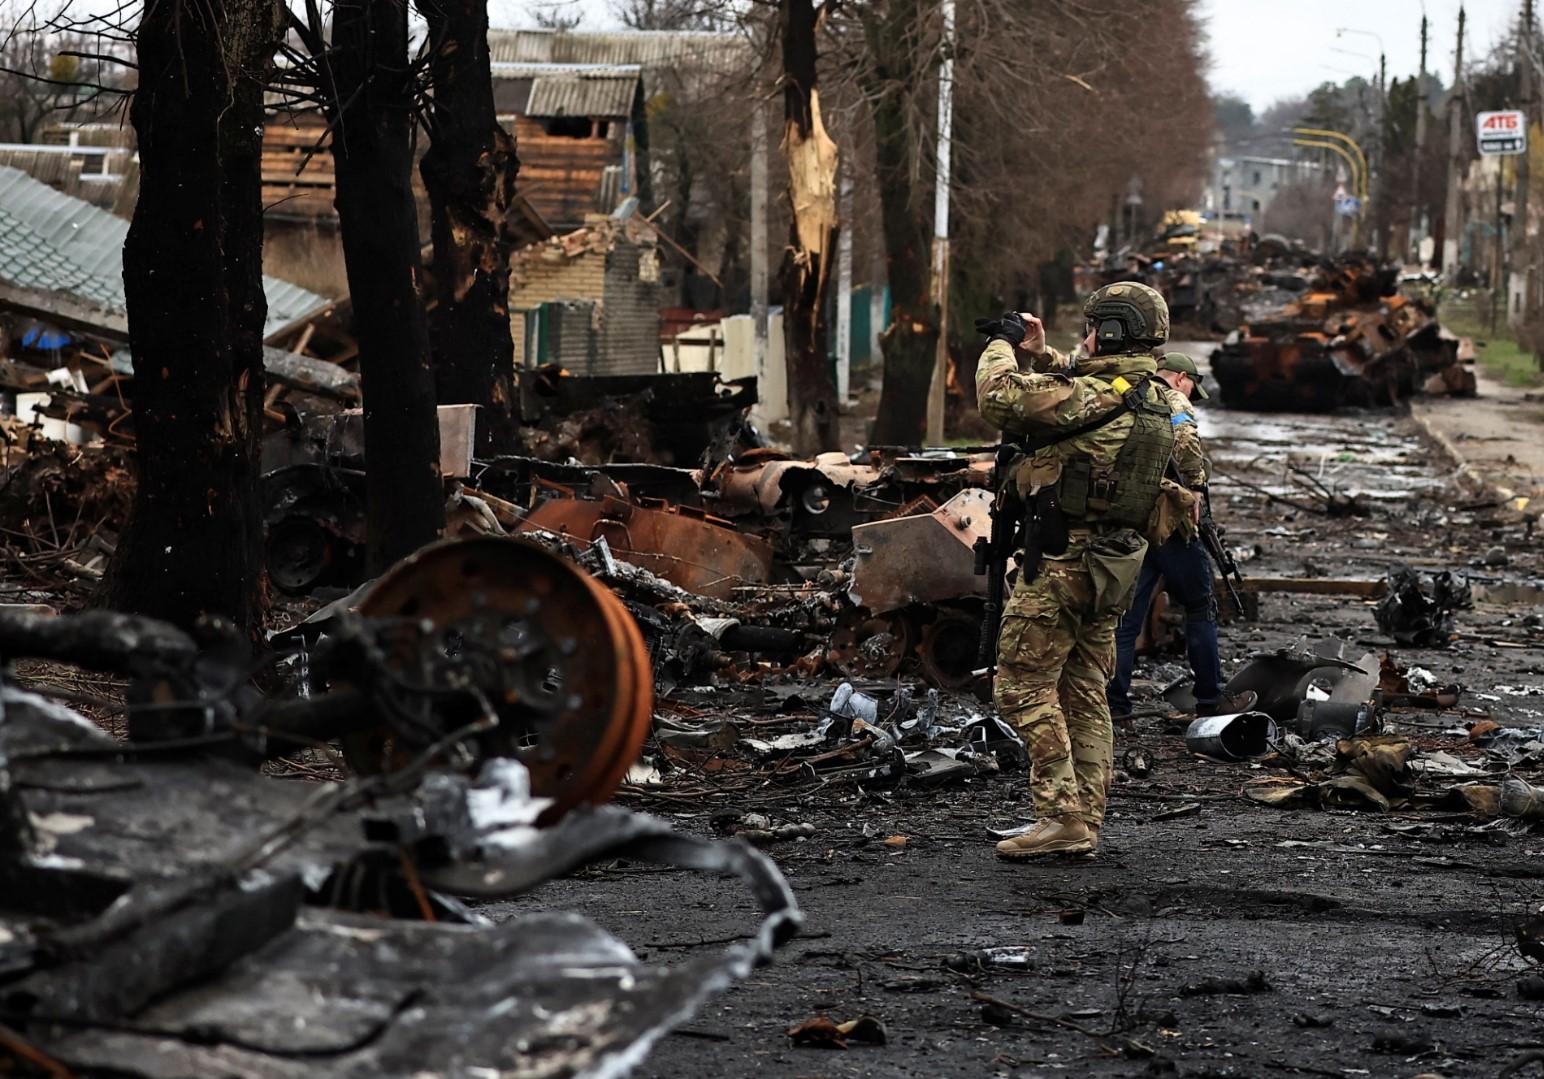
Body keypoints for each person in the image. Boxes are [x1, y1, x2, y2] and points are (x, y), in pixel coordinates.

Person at [977, 282, 1179, 861]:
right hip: (1115, 567)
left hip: (1063, 563)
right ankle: (1084, 817)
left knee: (1019, 685)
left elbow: (999, 397)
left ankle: (1060, 815)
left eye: (1093, 328)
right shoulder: (1157, 397)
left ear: (1112, 332)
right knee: (1085, 687)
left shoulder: (1092, 394)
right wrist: (1044, 354)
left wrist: (1002, 344)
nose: (1084, 338)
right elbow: (1088, 387)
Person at [1106, 353, 1258, 720]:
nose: (1191, 396)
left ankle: (1114, 703)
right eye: (1191, 387)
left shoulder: (1126, 395)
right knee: (1199, 607)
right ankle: (1210, 698)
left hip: (1130, 521)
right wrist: (1196, 489)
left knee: (1126, 618)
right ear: (1178, 378)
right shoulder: (1171, 400)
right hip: (1172, 524)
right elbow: (1187, 443)